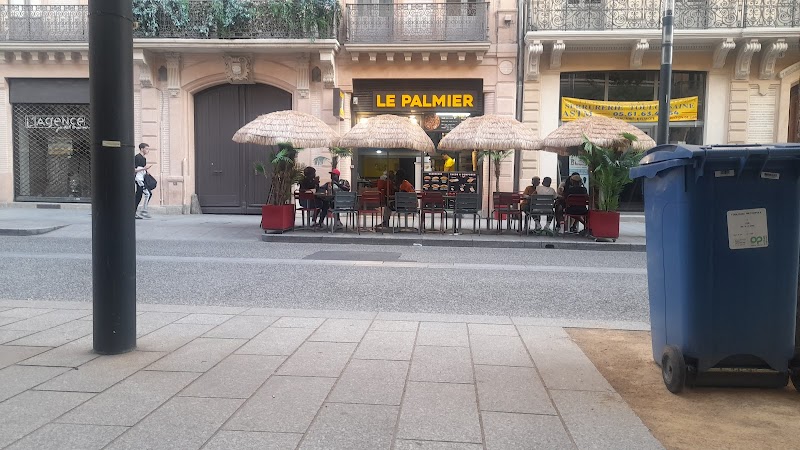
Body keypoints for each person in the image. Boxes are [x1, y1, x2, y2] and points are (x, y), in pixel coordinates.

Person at [134, 143, 154, 219]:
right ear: (142, 149)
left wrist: (147, 172)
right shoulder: (137, 157)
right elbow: (134, 169)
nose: (147, 150)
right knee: (147, 194)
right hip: (138, 179)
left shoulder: (144, 159)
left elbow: (142, 169)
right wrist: (144, 169)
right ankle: (143, 211)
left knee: (139, 196)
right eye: (146, 149)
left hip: (142, 178)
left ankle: (136, 212)